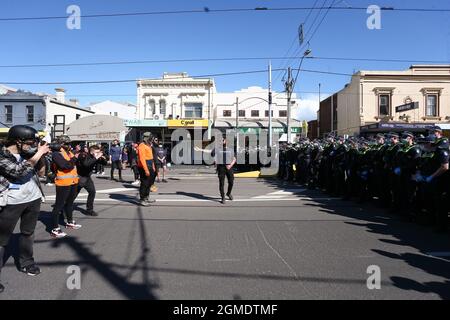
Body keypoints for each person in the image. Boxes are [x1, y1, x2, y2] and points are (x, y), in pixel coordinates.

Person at [0, 125, 50, 293]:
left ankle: (27, 263)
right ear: (17, 141)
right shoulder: (2, 155)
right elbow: (17, 172)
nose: (32, 145)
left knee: (28, 233)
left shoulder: (28, 153)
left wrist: (41, 156)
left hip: (33, 198)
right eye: (29, 142)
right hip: (11, 202)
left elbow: (42, 173)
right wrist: (38, 154)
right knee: (2, 240)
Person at [50, 135, 82, 238]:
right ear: (61, 144)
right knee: (58, 206)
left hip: (73, 181)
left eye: (69, 143)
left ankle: (69, 222)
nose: (69, 145)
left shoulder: (69, 152)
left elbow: (73, 163)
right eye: (66, 144)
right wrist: (74, 159)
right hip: (63, 183)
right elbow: (65, 166)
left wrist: (75, 159)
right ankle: (55, 229)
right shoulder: (56, 154)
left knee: (70, 203)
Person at [76, 145, 107, 216]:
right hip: (80, 177)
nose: (98, 153)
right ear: (92, 151)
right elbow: (86, 164)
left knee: (92, 192)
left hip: (87, 178)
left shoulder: (94, 157)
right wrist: (96, 157)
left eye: (98, 152)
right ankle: (64, 209)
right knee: (73, 195)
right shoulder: (83, 155)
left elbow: (104, 163)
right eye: (97, 152)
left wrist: (102, 157)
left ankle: (89, 210)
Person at [137, 132, 157, 206]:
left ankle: (146, 197)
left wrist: (153, 167)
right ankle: (142, 199)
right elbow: (142, 159)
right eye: (150, 138)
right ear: (146, 138)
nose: (152, 139)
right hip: (143, 167)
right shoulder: (141, 146)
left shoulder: (149, 145)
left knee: (149, 183)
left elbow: (151, 157)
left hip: (150, 165)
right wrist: (146, 170)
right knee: (144, 184)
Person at [215, 137, 236, 204]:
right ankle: (223, 197)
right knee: (221, 183)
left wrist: (230, 165)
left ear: (226, 141)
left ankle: (228, 193)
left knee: (231, 182)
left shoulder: (231, 150)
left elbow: (234, 159)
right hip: (221, 168)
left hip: (229, 167)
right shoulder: (218, 149)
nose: (221, 141)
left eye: (223, 140)